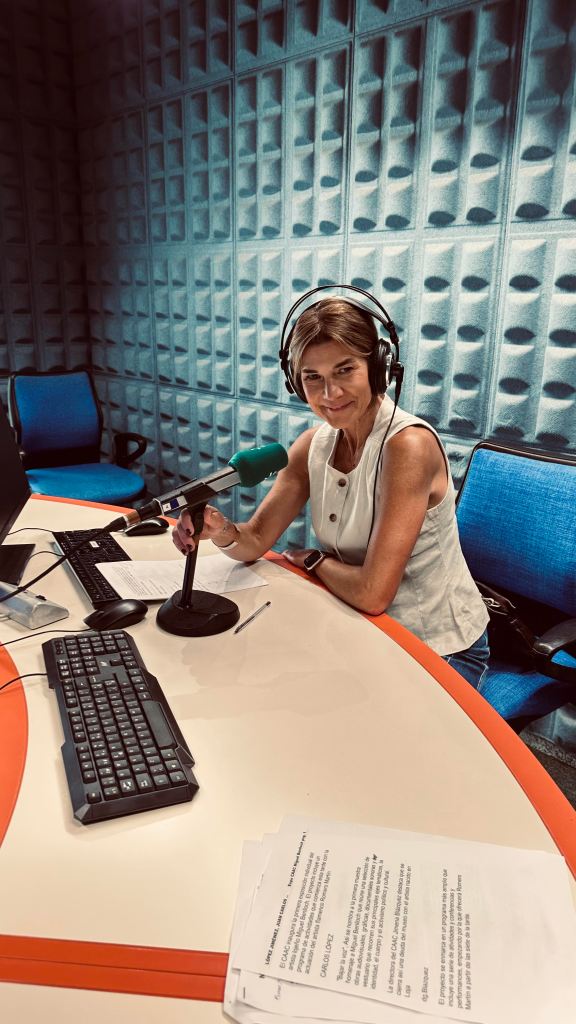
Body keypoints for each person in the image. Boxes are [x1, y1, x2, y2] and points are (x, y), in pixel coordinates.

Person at [172, 294, 490, 688]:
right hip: (365, 627)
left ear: (378, 369)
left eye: (344, 371)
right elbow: (253, 540)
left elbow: (373, 593)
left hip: (437, 646)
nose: (329, 394)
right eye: (312, 377)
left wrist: (312, 561)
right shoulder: (313, 445)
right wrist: (219, 530)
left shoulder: (407, 446)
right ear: (295, 381)